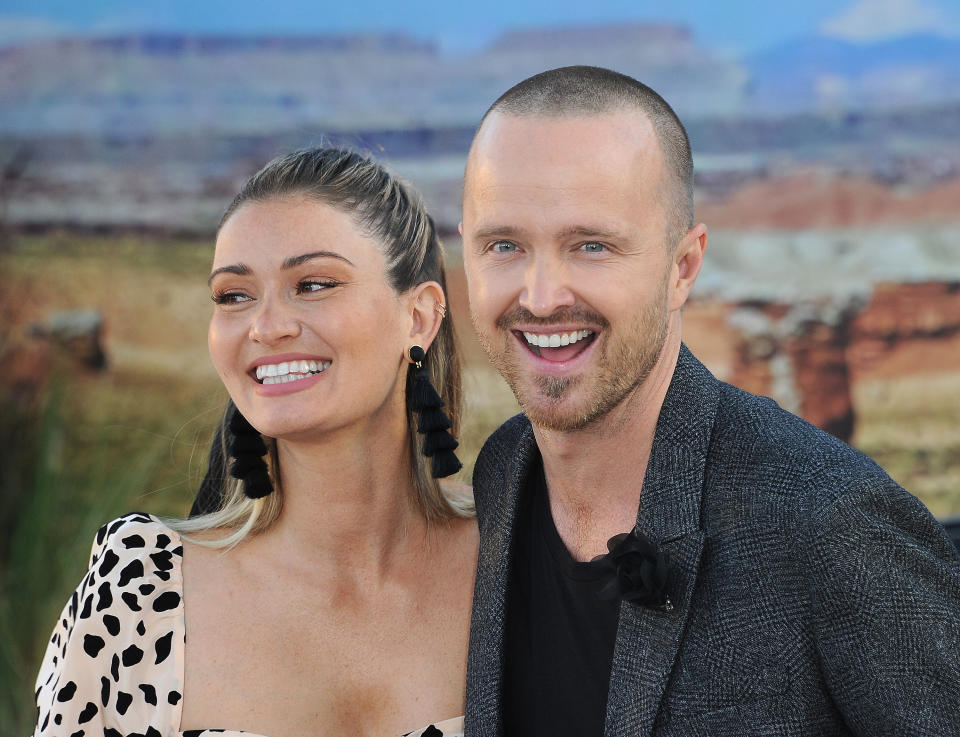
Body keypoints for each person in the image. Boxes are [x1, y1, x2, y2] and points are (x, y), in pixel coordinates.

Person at [459, 66, 960, 736]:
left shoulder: (830, 522)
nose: (543, 295)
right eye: (504, 245)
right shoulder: (501, 473)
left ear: (683, 267)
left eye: (592, 245)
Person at [33, 147, 477, 737]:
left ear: (418, 317)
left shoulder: (521, 560)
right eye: (234, 296)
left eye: (313, 284)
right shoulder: (141, 592)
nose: (266, 327)